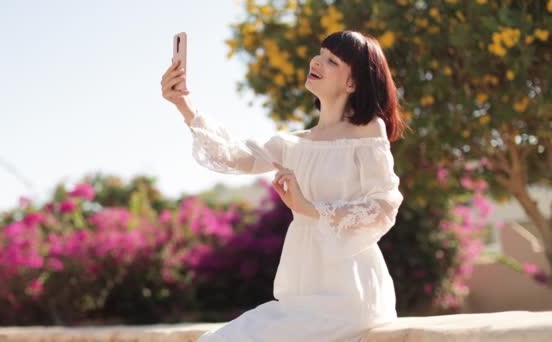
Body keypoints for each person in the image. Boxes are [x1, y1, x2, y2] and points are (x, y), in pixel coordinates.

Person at [161, 30, 408, 342]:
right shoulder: (292, 143)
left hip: (350, 295)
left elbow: (384, 206)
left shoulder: (368, 130)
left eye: (332, 61)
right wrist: (185, 106)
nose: (317, 61)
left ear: (352, 83)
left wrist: (310, 208)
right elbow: (236, 157)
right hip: (301, 296)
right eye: (320, 53)